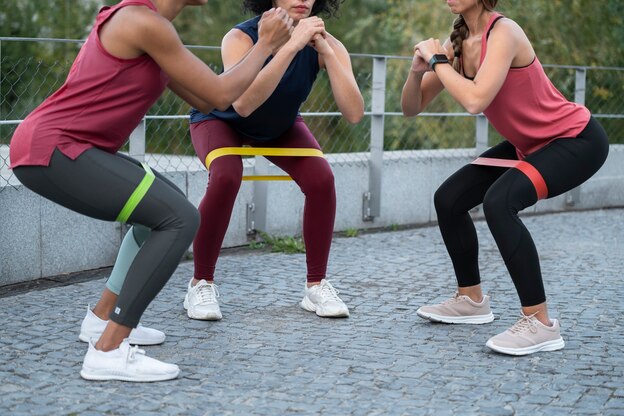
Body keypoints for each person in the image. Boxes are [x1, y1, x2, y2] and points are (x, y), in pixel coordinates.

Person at [10, 0, 292, 382]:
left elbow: (210, 99)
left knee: (163, 204)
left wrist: (271, 49)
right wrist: (264, 43)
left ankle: (101, 320)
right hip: (56, 148)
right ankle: (108, 351)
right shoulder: (142, 22)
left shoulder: (153, 28)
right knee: (178, 218)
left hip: (63, 147)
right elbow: (223, 95)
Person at [401, 0, 608, 355]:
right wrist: (418, 70)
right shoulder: (456, 46)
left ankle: (540, 323)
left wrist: (438, 61)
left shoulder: (505, 32)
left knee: (500, 202)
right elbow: (411, 108)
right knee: (449, 200)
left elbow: (475, 100)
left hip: (575, 140)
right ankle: (471, 299)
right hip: (526, 144)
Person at [184, 0, 364, 320]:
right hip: (220, 121)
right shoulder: (241, 38)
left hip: (278, 126)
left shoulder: (327, 43)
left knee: (321, 179)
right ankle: (201, 283)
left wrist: (328, 52)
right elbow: (243, 104)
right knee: (226, 176)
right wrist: (292, 45)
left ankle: (316, 284)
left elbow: (353, 113)